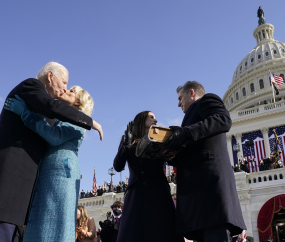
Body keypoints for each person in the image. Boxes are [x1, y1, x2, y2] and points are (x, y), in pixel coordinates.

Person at [0, 62, 103, 241]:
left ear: (78, 102)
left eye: (70, 90)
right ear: (50, 76)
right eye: (64, 84)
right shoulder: (40, 97)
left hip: (60, 173)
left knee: (55, 223)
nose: (65, 90)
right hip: (43, 171)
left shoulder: (77, 122)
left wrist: (24, 113)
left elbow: (53, 137)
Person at [164, 81, 246, 242]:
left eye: (180, 98)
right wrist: (172, 155)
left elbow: (223, 120)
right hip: (198, 196)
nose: (178, 103)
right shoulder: (190, 118)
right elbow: (196, 147)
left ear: (192, 93)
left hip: (210, 190)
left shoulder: (207, 100)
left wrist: (185, 132)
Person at [113, 111, 184, 242]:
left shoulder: (160, 137)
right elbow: (117, 166)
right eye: (151, 117)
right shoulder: (128, 139)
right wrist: (126, 147)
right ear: (141, 119)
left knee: (162, 232)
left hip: (159, 192)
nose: (155, 120)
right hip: (137, 194)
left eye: (156, 118)